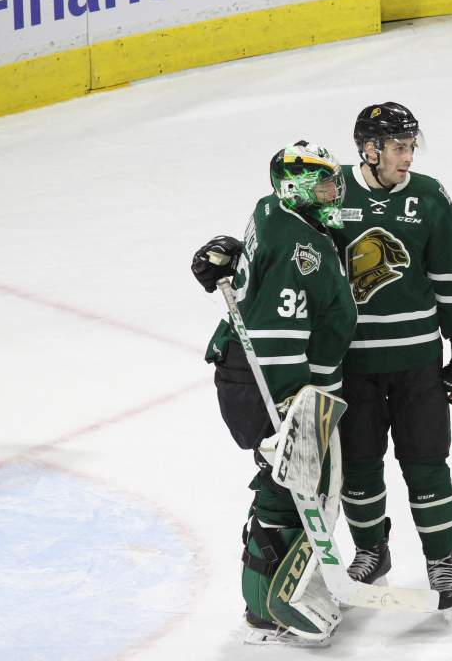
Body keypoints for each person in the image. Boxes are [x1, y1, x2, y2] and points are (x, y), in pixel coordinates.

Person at [190, 141, 357, 646]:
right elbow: (286, 332)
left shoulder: (272, 212)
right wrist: (299, 403)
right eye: (324, 182)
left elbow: (255, 282)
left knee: (291, 479)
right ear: (296, 184)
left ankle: (275, 594)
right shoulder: (302, 249)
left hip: (250, 371)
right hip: (272, 378)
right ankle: (271, 607)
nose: (334, 190)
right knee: (297, 482)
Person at [331, 102, 452, 610]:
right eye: (399, 147)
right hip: (353, 365)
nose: (408, 156)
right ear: (370, 149)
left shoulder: (428, 196)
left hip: (417, 362)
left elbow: (449, 275)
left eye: (411, 146)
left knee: (426, 463)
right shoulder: (331, 191)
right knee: (358, 466)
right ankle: (371, 551)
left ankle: (440, 559)